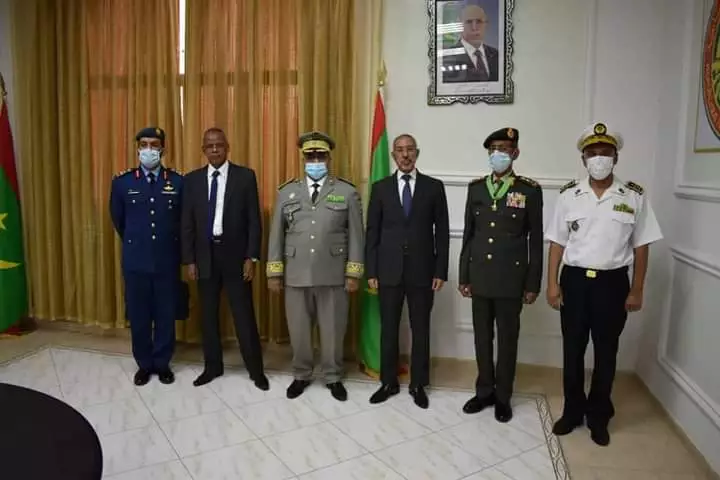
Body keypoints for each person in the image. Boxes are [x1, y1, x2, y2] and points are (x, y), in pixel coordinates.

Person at [546, 122, 662, 446]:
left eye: (605, 152)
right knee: (572, 350)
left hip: (612, 284)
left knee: (606, 352)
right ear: (583, 158)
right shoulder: (569, 195)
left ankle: (599, 415)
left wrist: (637, 288)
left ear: (616, 157)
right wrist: (552, 284)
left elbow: (642, 245)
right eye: (593, 153)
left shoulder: (633, 196)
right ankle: (572, 411)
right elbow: (556, 242)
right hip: (574, 282)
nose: (599, 158)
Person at [266, 131, 364, 401]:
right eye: (310, 156)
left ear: (329, 158)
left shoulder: (346, 192)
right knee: (298, 330)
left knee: (333, 330)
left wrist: (353, 272)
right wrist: (274, 273)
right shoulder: (287, 192)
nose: (316, 161)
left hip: (333, 274)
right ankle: (301, 374)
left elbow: (357, 236)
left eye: (321, 156)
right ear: (303, 159)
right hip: (296, 273)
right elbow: (276, 235)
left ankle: (333, 376)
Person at [458, 127, 543, 423]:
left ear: (515, 153)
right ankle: (484, 392)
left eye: (505, 149)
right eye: (494, 149)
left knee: (507, 340)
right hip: (480, 276)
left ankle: (503, 396)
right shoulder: (476, 188)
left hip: (511, 279)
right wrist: (464, 275)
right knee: (482, 338)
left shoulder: (529, 190)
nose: (498, 154)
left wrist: (532, 283)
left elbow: (535, 239)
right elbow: (469, 235)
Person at [365, 134, 450, 409]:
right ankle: (388, 382)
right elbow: (372, 232)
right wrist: (371, 270)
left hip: (422, 272)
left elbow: (442, 232)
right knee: (389, 329)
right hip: (388, 271)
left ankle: (418, 384)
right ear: (393, 155)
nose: (405, 155)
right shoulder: (380, 188)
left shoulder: (433, 187)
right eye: (400, 150)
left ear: (417, 153)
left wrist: (440, 270)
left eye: (410, 150)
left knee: (420, 329)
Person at [181, 127, 268, 390]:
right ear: (203, 150)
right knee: (208, 316)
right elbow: (187, 223)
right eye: (210, 146)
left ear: (227, 147)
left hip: (235, 257)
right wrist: (190, 260)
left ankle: (256, 371)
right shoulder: (192, 180)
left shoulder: (245, 177)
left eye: (219, 145)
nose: (215, 149)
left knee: (243, 315)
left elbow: (254, 221)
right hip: (204, 257)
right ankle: (212, 367)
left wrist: (251, 257)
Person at [110, 127, 187, 386]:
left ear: (163, 149)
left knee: (165, 314)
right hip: (136, 261)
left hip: (167, 260)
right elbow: (119, 221)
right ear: (137, 148)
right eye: (144, 144)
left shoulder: (177, 182)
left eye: (154, 145)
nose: (149, 150)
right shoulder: (123, 182)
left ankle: (162, 363)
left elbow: (182, 221)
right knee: (139, 315)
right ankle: (144, 364)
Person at [442, 1, 499, 83]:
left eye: (479, 21)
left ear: (486, 24)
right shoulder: (447, 57)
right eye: (469, 22)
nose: (474, 27)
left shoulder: (496, 55)